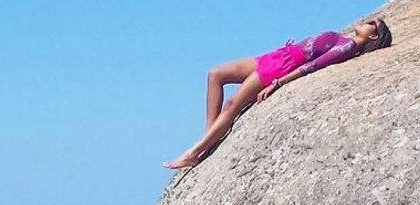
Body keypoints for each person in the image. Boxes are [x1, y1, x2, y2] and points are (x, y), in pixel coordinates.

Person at [164, 18, 392, 169]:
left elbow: (312, 66)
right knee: (215, 74)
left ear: (373, 36)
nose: (367, 21)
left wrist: (278, 83)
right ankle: (207, 140)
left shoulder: (348, 47)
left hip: (283, 66)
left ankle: (194, 152)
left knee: (233, 104)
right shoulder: (345, 40)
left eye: (373, 23)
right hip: (277, 55)